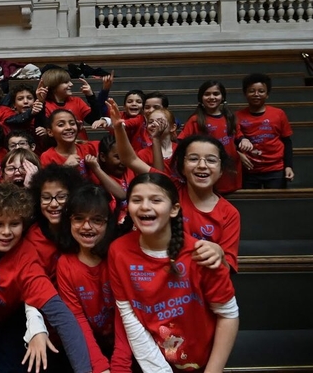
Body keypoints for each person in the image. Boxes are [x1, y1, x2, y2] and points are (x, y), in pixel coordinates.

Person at [109, 173, 239, 372]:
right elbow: (128, 314)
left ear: (174, 209)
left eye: (155, 200)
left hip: (202, 363)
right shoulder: (118, 251)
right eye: (137, 200)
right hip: (150, 361)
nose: (144, 206)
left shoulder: (201, 254)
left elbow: (228, 314)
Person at [0, 182, 92, 373]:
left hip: (4, 322)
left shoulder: (26, 256)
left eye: (14, 224)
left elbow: (61, 315)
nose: (7, 232)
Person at [110, 100, 241, 272]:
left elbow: (228, 268)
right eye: (193, 159)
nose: (202, 165)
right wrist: (119, 129)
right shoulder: (171, 189)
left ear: (221, 170)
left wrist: (219, 254)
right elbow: (130, 159)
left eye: (210, 160)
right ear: (182, 167)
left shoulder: (229, 214)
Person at [55, 184, 129, 373]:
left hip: (128, 344)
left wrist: (119, 367)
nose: (87, 227)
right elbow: (77, 318)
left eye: (97, 220)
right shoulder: (65, 264)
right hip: (90, 345)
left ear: (108, 223)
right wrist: (99, 367)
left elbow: (126, 315)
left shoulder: (118, 254)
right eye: (78, 219)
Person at [179, 81, 252, 195]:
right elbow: (182, 143)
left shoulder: (231, 117)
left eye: (216, 94)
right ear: (201, 98)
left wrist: (244, 140)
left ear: (222, 97)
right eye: (207, 94)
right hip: (207, 167)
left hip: (230, 169)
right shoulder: (195, 120)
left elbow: (238, 137)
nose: (212, 97)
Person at [27, 164, 87, 281]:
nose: (54, 204)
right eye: (46, 198)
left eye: (61, 197)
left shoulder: (84, 229)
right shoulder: (32, 237)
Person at [236, 73, 294, 189]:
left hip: (276, 169)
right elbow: (234, 141)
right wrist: (239, 154)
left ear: (267, 94)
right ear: (245, 94)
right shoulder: (237, 116)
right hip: (249, 170)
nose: (256, 94)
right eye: (252, 91)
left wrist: (288, 166)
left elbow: (287, 142)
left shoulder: (278, 114)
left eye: (261, 91)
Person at [36, 67, 101, 143]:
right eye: (66, 82)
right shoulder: (46, 105)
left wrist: (91, 96)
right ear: (54, 85)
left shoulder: (77, 101)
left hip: (81, 147)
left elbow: (94, 119)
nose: (71, 84)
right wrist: (41, 102)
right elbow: (43, 128)